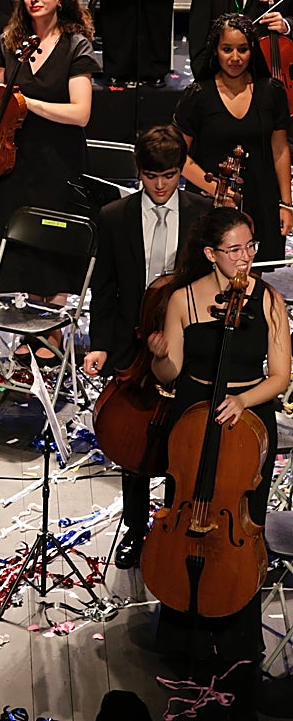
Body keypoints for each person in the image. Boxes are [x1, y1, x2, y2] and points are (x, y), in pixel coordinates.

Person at [148, 207, 290, 717]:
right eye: (235, 249)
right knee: (187, 510)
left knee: (241, 520)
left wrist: (244, 400)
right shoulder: (183, 299)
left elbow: (281, 376)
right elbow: (171, 370)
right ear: (211, 254)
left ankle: (236, 639)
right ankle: (181, 633)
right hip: (195, 413)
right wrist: (159, 353)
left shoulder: (267, 299)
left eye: (250, 246)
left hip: (247, 418)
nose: (246, 257)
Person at [81, 125, 210, 570]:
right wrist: (100, 344)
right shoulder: (114, 216)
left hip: (186, 345)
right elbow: (105, 286)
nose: (160, 185)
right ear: (138, 171)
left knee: (183, 440)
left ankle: (174, 527)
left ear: (181, 171)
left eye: (169, 176)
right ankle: (135, 530)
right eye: (151, 176)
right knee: (134, 444)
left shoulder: (202, 214)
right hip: (131, 345)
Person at [0, 0, 97, 364]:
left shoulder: (76, 46)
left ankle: (52, 327)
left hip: (57, 159)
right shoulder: (9, 41)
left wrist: (29, 103)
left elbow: (80, 113)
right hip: (14, 154)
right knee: (22, 245)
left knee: (52, 243)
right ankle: (30, 324)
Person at [174, 13, 291, 269]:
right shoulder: (197, 95)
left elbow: (280, 149)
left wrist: (286, 203)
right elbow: (178, 154)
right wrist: (216, 189)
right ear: (215, 51)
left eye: (242, 49)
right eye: (227, 49)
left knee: (254, 277)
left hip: (261, 201)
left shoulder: (271, 91)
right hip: (208, 202)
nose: (235, 58)